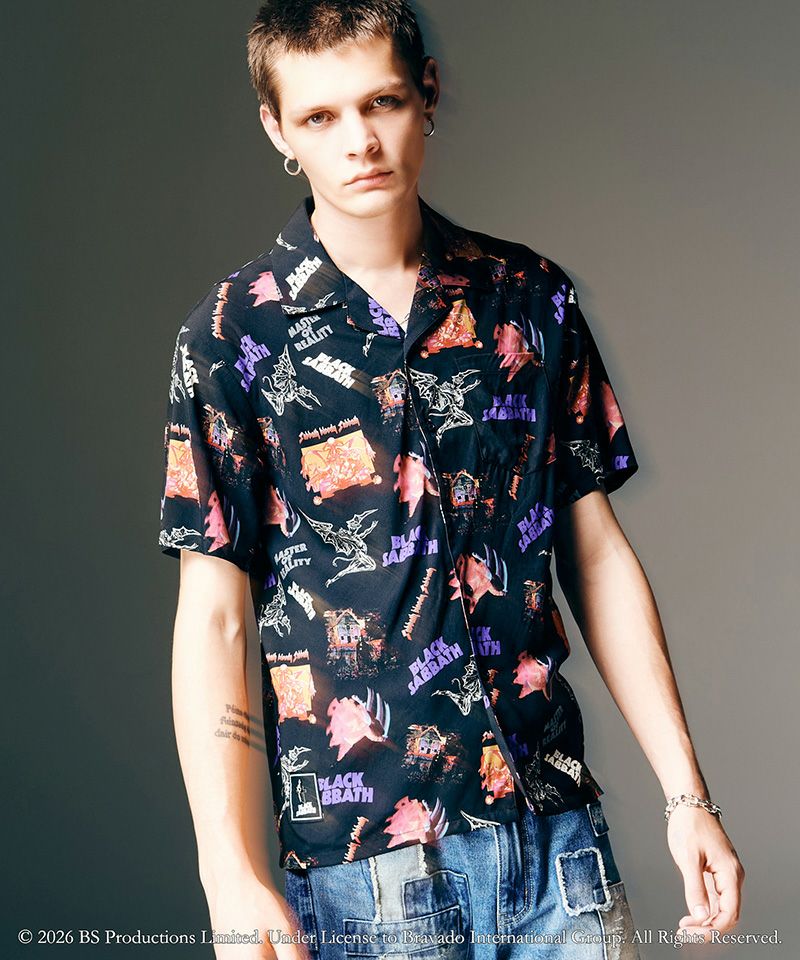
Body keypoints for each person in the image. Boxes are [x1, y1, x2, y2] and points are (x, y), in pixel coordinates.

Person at [157, 2, 745, 957]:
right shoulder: (230, 339)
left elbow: (593, 553)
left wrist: (687, 798)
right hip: (365, 877)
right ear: (277, 129)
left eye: (381, 102)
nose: (359, 142)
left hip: (558, 849)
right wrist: (228, 870)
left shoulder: (529, 299)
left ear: (426, 93)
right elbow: (215, 617)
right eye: (319, 117)